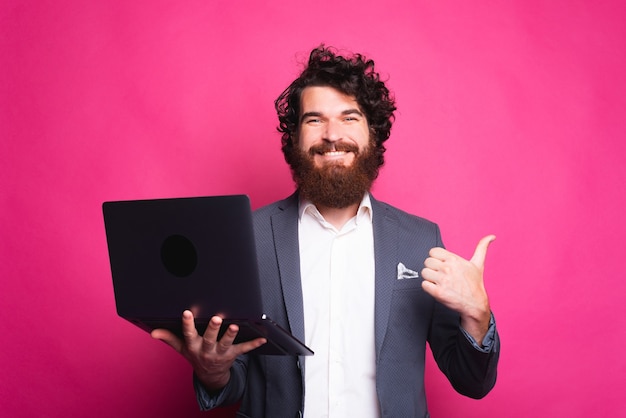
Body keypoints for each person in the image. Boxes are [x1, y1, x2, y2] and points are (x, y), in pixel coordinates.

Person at [151, 45, 500, 417]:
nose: (332, 135)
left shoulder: (420, 241)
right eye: (314, 120)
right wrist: (214, 368)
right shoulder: (247, 238)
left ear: (373, 134)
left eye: (349, 118)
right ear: (295, 137)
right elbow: (233, 377)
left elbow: (472, 381)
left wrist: (478, 314)